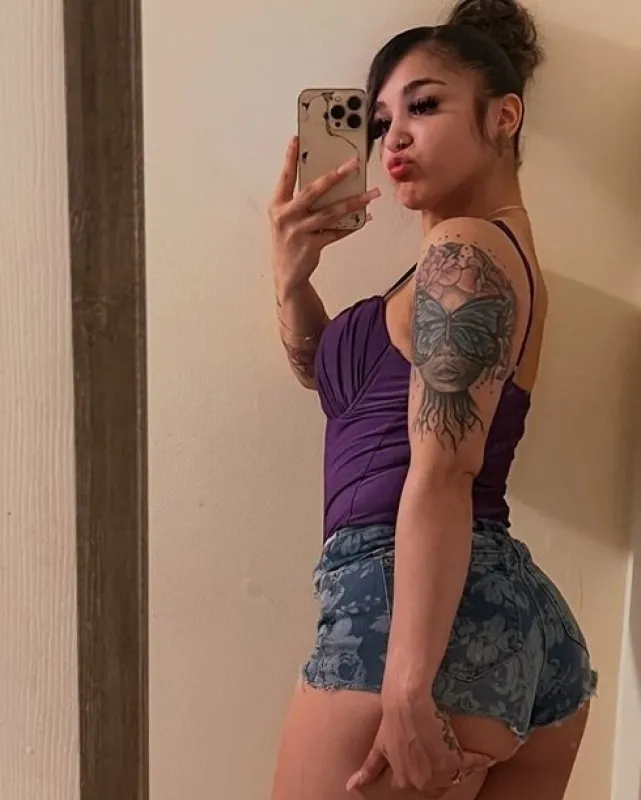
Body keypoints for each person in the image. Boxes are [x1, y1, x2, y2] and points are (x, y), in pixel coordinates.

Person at [267, 1, 597, 798]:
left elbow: (446, 467)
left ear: (503, 116)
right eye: (381, 122)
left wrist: (408, 686)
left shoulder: (462, 249)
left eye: (423, 105)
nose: (394, 139)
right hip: (528, 632)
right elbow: (336, 384)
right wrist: (290, 278)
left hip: (408, 603)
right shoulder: (482, 259)